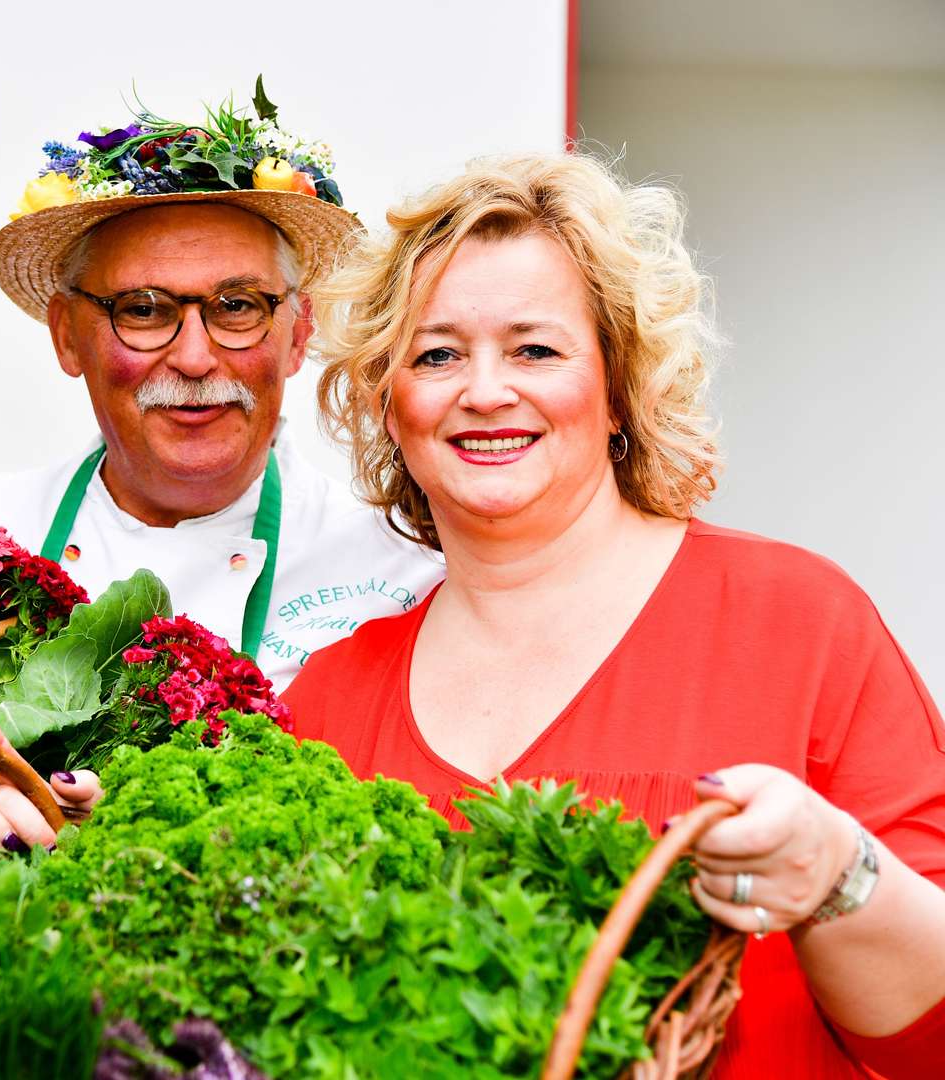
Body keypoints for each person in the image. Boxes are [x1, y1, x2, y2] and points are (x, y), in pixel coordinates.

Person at [272, 153, 945, 1077]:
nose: (484, 390)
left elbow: (928, 1042)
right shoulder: (330, 700)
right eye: (436, 355)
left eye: (534, 349)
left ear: (619, 387)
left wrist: (837, 875)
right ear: (391, 406)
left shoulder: (801, 625)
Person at [0, 87, 443, 696]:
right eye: (144, 309)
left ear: (298, 337)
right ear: (67, 337)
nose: (193, 358)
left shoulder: (398, 575)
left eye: (237, 307)